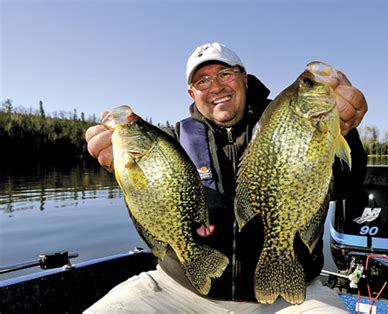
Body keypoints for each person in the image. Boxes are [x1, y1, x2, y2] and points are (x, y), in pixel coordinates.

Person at [84, 42, 368, 313]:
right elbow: (146, 201)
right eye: (202, 81)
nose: (215, 86)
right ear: (191, 93)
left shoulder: (283, 121)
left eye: (224, 73)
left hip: (291, 295)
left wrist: (343, 131)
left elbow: (347, 182)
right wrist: (119, 162)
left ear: (244, 78)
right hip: (178, 290)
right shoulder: (169, 144)